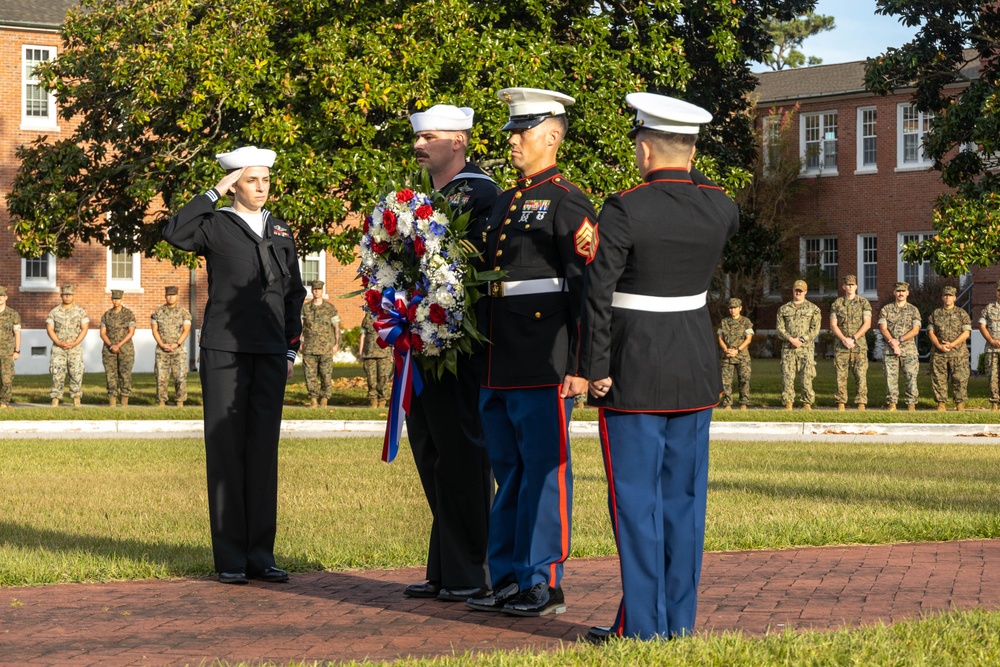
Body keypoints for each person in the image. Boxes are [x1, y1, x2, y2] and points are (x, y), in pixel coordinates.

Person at [578, 92, 738, 641]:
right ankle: (680, 622)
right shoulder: (721, 205)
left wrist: (594, 366)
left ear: (645, 149)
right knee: (685, 503)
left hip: (634, 367)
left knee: (636, 502)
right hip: (694, 363)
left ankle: (643, 627)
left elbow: (598, 293)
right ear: (691, 151)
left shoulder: (624, 207)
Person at [464, 88, 594, 618]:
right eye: (511, 131)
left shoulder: (568, 201)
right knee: (508, 471)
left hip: (544, 360)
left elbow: (587, 289)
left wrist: (581, 366)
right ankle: (509, 577)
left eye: (523, 131)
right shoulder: (502, 201)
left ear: (552, 136)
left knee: (544, 471)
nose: (513, 140)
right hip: (499, 359)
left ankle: (543, 580)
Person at [163, 145, 307, 585]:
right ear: (234, 184)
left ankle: (261, 556)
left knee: (263, 451)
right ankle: (230, 558)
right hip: (224, 349)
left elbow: (293, 293)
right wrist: (214, 191)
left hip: (268, 349)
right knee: (226, 450)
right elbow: (174, 231)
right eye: (251, 180)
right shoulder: (214, 225)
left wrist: (288, 349)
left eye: (265, 180)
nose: (261, 188)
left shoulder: (281, 230)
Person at [402, 104, 498, 603]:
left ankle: (471, 569)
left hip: (458, 344)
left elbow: (473, 270)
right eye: (418, 138)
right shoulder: (424, 197)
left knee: (461, 454)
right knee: (433, 452)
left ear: (459, 141)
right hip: (422, 341)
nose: (420, 145)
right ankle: (445, 567)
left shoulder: (480, 193)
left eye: (430, 137)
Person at [776, 280, 821, 410]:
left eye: (801, 291)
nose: (798, 293)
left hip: (805, 348)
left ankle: (807, 403)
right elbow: (780, 328)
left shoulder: (813, 309)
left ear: (805, 292)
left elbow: (815, 329)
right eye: (796, 290)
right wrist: (791, 339)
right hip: (788, 348)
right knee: (787, 376)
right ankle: (788, 403)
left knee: (807, 376)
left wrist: (801, 339)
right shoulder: (784, 309)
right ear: (793, 291)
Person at [829, 275, 872, 411]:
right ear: (843, 287)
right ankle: (841, 403)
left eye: (852, 285)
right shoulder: (837, 304)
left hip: (858, 346)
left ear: (856, 286)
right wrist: (844, 339)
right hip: (841, 346)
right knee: (840, 376)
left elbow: (867, 324)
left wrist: (853, 338)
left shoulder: (863, 302)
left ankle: (861, 403)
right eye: (847, 285)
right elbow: (833, 325)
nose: (850, 287)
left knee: (860, 374)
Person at [878, 281, 922, 411]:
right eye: (898, 291)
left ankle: (911, 404)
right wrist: (892, 341)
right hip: (890, 349)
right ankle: (892, 404)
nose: (900, 293)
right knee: (890, 378)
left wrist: (900, 340)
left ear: (907, 293)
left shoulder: (913, 310)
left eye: (903, 291)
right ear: (894, 293)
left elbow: (916, 330)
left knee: (911, 377)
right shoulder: (886, 309)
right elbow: (882, 327)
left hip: (908, 350)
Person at [927, 285, 971, 411]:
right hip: (939, 353)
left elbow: (966, 333)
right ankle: (941, 403)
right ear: (942, 297)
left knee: (960, 379)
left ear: (955, 298)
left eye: (950, 296)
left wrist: (952, 344)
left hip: (958, 353)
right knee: (939, 379)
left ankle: (959, 403)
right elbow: (931, 332)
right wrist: (939, 345)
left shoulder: (962, 314)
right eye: (945, 295)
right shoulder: (936, 314)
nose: (947, 298)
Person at [46, 284, 89, 408]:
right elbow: (50, 329)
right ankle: (55, 399)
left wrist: (75, 343)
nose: (68, 297)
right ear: (61, 296)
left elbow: (84, 328)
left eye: (70, 294)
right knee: (56, 373)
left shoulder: (80, 312)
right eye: (65, 294)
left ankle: (76, 399)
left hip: (75, 348)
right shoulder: (54, 312)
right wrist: (59, 342)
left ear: (73, 296)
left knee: (76, 372)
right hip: (58, 348)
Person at [300, 280, 340, 407]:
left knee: (326, 375)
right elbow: (300, 327)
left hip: (326, 348)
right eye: (314, 289)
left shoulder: (330, 308)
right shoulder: (305, 308)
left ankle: (324, 399)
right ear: (312, 291)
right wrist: (300, 343)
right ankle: (313, 399)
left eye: (319, 289)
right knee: (309, 375)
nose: (316, 291)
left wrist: (336, 343)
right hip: (309, 347)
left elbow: (336, 327)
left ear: (322, 291)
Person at [151, 286, 192, 407]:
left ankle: (180, 401)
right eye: (168, 295)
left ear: (177, 296)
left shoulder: (184, 313)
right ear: (165, 296)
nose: (170, 297)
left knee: (180, 377)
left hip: (178, 350)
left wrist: (177, 344)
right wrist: (162, 344)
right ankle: (162, 401)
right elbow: (155, 330)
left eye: (173, 295)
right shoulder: (157, 312)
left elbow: (186, 330)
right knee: (161, 377)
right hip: (161, 350)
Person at [99, 289, 136, 407]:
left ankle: (124, 403)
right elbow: (102, 333)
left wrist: (118, 345)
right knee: (111, 375)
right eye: (114, 299)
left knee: (125, 375)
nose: (116, 301)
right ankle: (112, 402)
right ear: (111, 299)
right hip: (109, 350)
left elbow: (131, 332)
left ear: (121, 299)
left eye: (118, 299)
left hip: (125, 349)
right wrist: (111, 345)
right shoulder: (106, 315)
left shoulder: (128, 314)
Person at [716, 297, 753, 410]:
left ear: (740, 308)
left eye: (735, 308)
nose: (732, 310)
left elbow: (748, 339)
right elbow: (720, 337)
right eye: (731, 308)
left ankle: (743, 403)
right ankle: (727, 403)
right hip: (727, 356)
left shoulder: (746, 322)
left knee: (744, 379)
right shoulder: (724, 322)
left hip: (742, 356)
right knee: (726, 381)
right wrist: (725, 349)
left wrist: (737, 350)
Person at [359, 311, 391, 408]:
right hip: (369, 353)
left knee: (383, 378)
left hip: (384, 353)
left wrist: (392, 353)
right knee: (371, 379)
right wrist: (361, 352)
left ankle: (382, 400)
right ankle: (373, 400)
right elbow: (363, 336)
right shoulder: (368, 317)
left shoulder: (388, 316)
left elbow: (392, 336)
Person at [978, 280, 1000, 412]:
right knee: (992, 376)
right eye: (999, 291)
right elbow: (981, 326)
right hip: (992, 348)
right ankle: (994, 403)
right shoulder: (988, 308)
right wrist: (992, 340)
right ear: (996, 292)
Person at [0, 286, 21, 409]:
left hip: (7, 352)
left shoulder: (13, 314)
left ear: (6, 297)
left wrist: (16, 350)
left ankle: (3, 402)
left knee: (6, 378)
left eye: (2, 296)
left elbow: (17, 333)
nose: (0, 298)